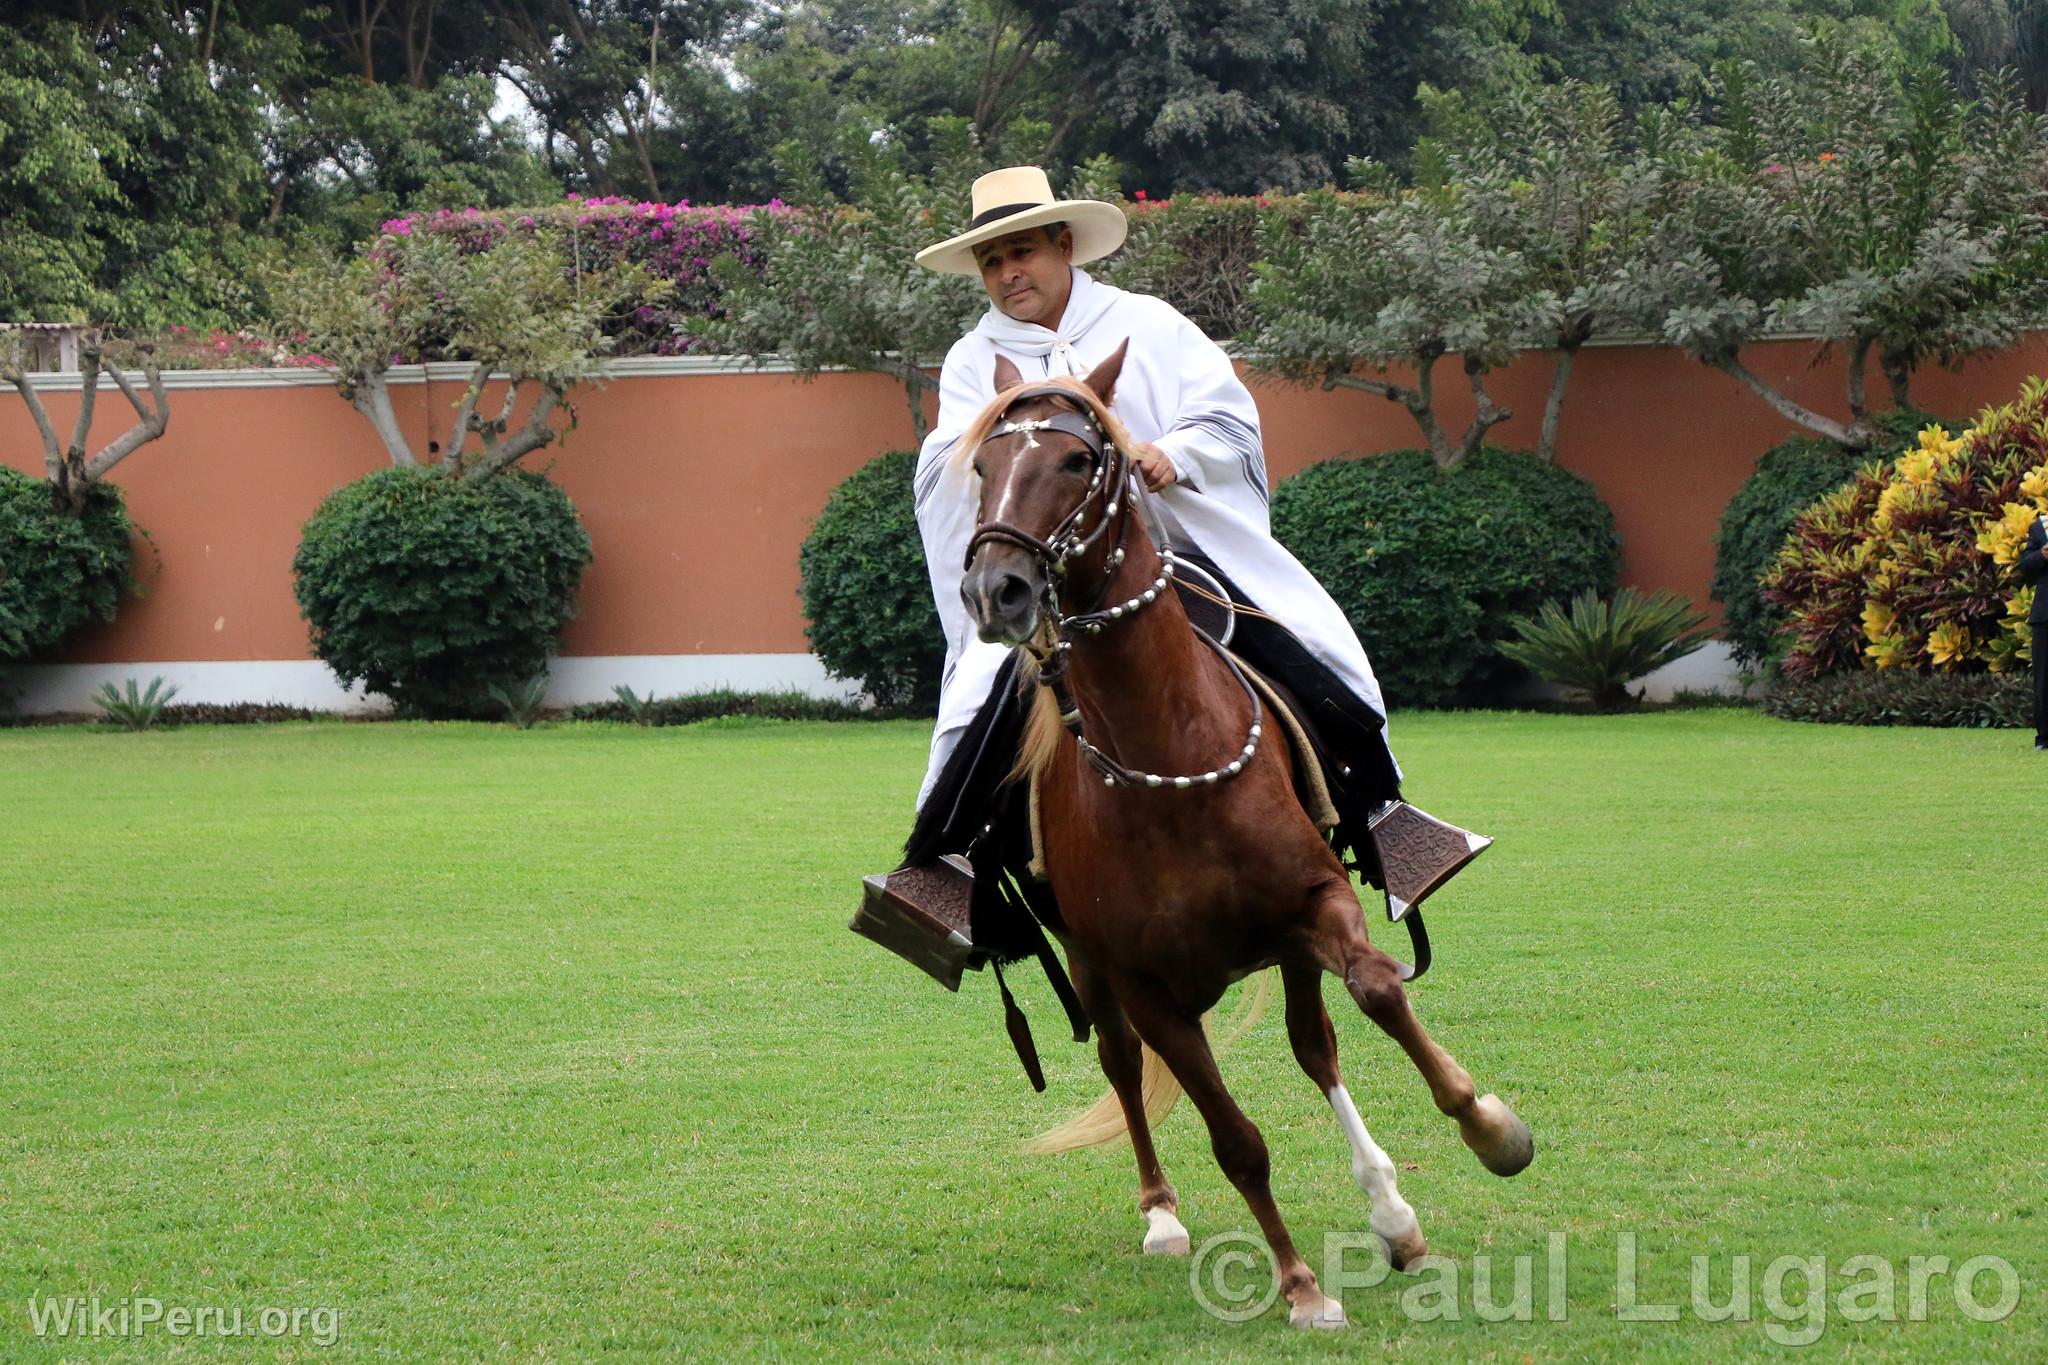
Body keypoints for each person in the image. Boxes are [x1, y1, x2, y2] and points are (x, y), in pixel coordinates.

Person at [904, 167, 1403, 872]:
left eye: (1023, 252)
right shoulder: (971, 361)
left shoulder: (1150, 322)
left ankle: (1383, 819)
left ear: (1064, 245)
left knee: (1313, 645)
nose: (1009, 273)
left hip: (1176, 554)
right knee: (970, 711)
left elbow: (1226, 417)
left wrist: (1175, 452)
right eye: (992, 261)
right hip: (1039, 578)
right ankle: (950, 880)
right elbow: (953, 467)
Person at [2024, 512, 2048, 750]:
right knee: (2043, 678)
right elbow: (2025, 565)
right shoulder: (2040, 528)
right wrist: (2041, 555)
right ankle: (2044, 737)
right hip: (2045, 614)